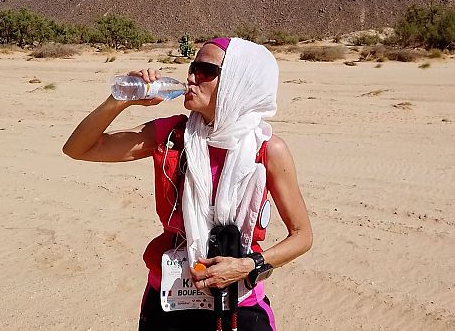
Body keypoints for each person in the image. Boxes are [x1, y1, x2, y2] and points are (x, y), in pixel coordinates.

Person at [63, 37, 312, 330]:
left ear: (238, 80)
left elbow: (302, 235)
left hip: (238, 304)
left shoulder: (267, 150)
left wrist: (247, 265)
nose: (191, 77)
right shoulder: (172, 135)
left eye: (206, 71)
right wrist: (120, 99)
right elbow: (79, 149)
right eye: (192, 67)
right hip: (169, 302)